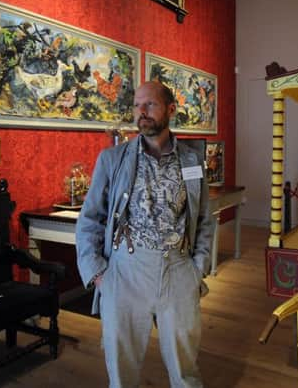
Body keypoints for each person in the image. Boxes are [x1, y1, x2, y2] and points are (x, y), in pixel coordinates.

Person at [76, 81, 214, 388]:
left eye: (150, 105)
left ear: (170, 110)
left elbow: (204, 218)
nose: (142, 112)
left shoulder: (192, 160)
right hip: (126, 271)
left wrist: (198, 268)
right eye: (138, 105)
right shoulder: (113, 159)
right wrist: (99, 274)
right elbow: (89, 220)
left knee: (185, 365)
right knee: (121, 366)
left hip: (178, 268)